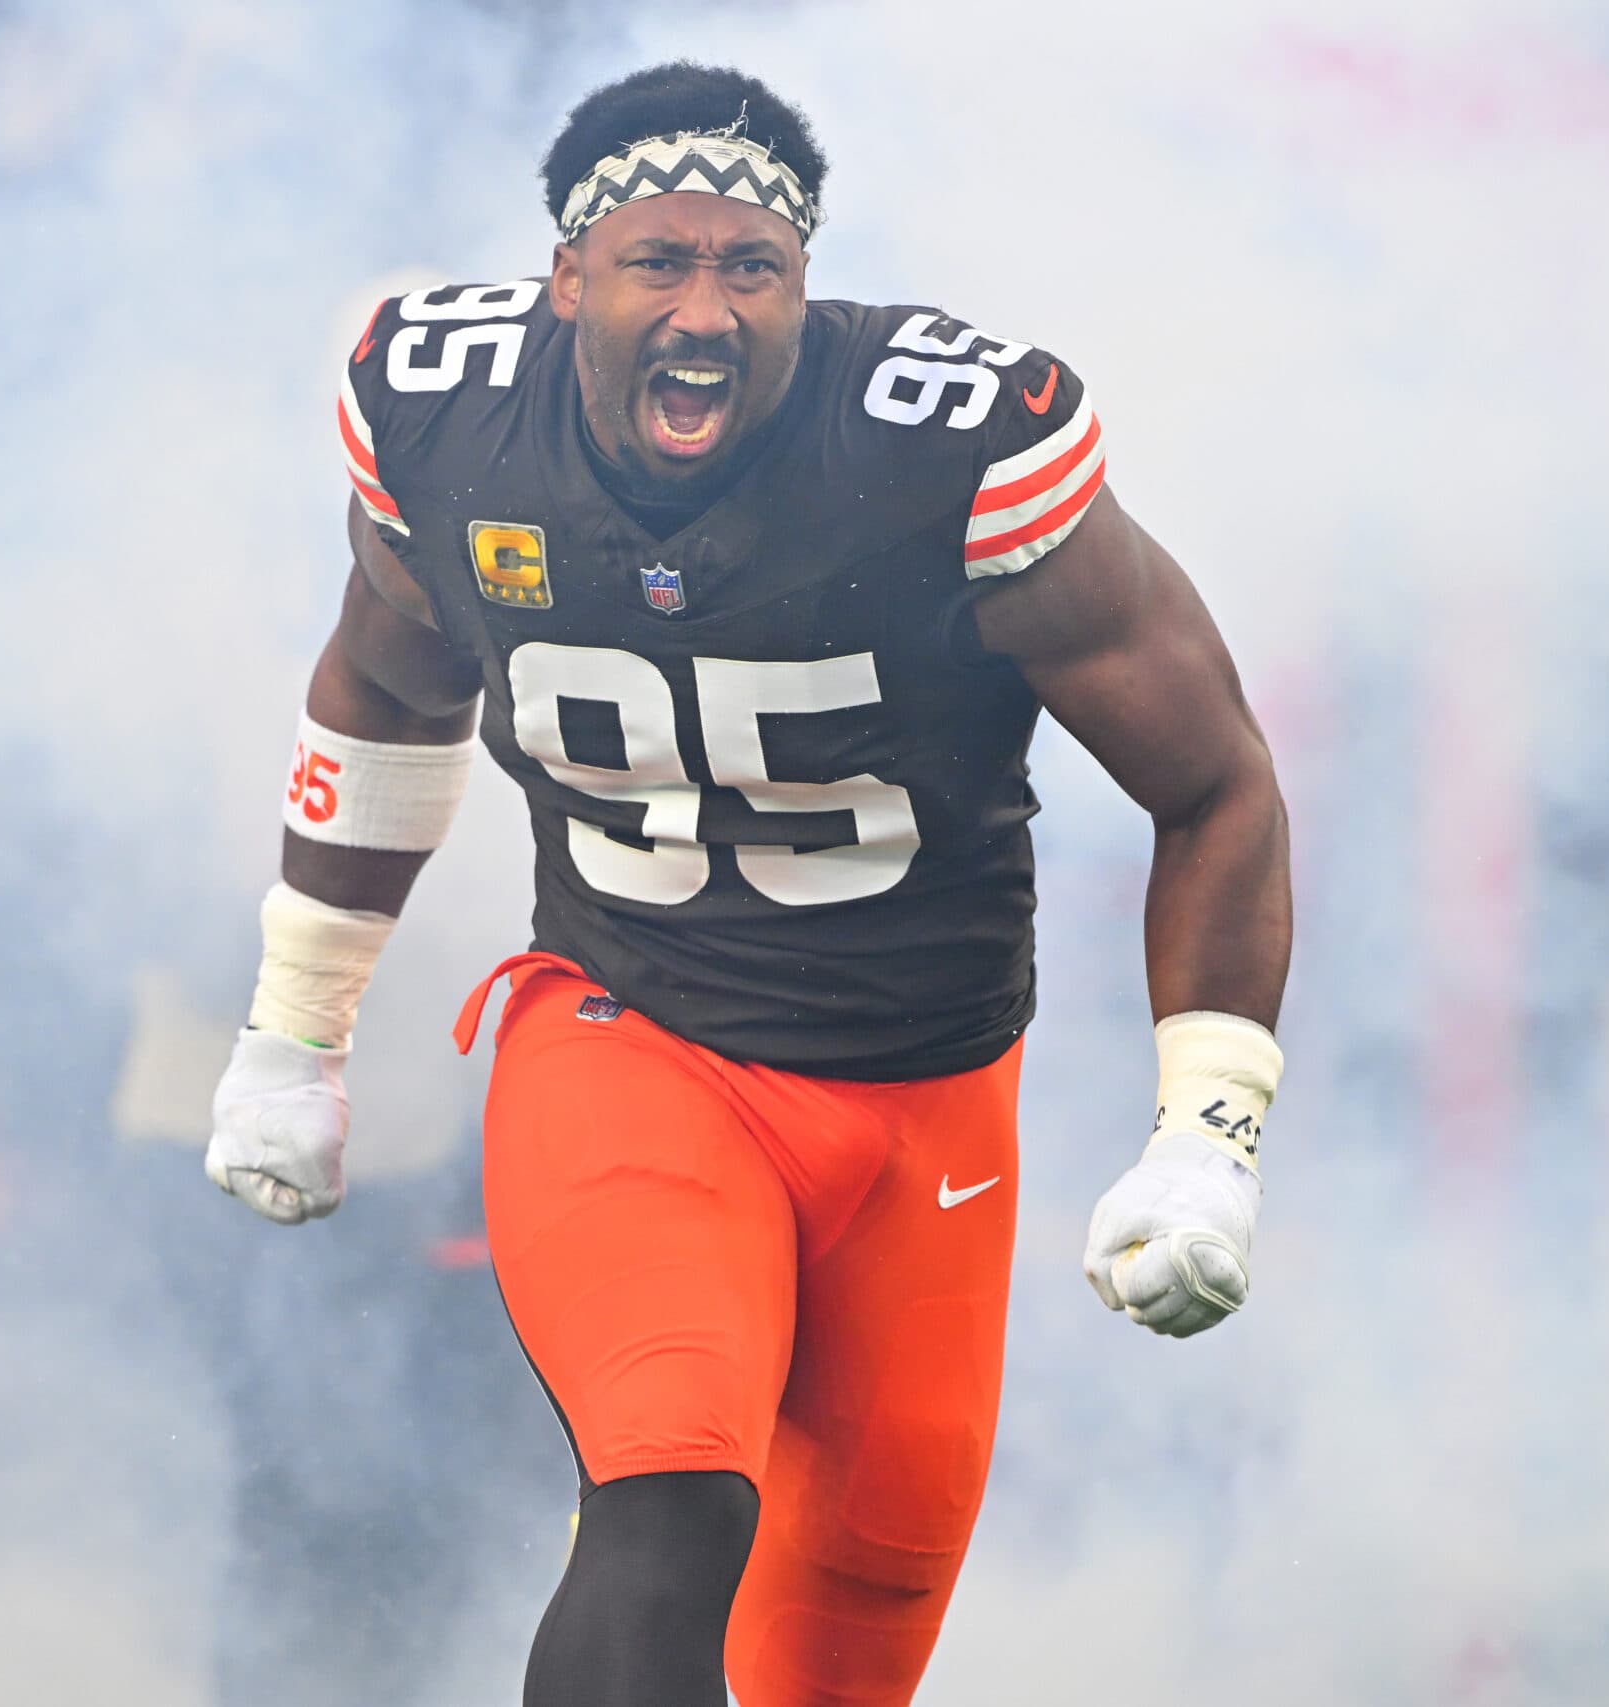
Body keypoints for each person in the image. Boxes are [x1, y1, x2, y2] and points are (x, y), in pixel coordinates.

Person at [200, 59, 1293, 1707]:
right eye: (658, 264)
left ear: (807, 284)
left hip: (927, 1102)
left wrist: (1209, 1134)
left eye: (751, 270)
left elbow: (1213, 782)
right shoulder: (448, 418)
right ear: (568, 281)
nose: (704, 311)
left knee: (841, 1644)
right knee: (669, 1498)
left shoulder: (951, 448)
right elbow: (391, 681)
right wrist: (296, 1029)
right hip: (635, 1035)